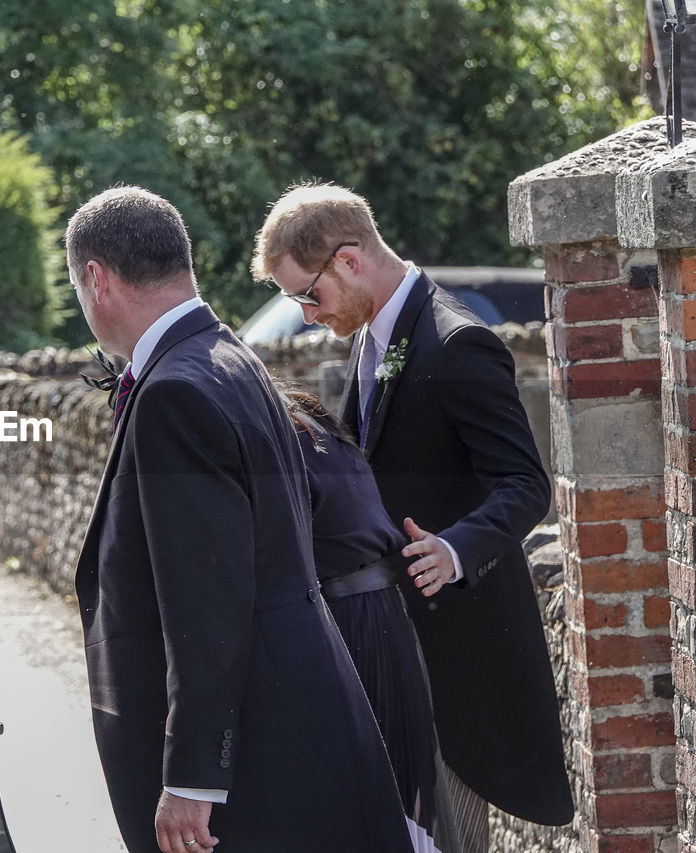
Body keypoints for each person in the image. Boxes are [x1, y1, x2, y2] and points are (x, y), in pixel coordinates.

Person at [68, 186, 412, 853]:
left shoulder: (173, 394)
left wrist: (195, 777)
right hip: (300, 714)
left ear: (96, 278)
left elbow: (210, 597)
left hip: (260, 755)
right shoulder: (227, 356)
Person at [252, 182, 574, 851]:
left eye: (308, 294)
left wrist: (454, 550)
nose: (308, 315)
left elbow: (525, 482)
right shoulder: (372, 337)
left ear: (347, 260)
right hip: (392, 650)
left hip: (457, 656)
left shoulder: (457, 342)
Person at [279, 386, 445, 853]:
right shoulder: (305, 419)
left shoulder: (281, 432)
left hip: (348, 628)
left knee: (368, 807)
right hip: (381, 616)